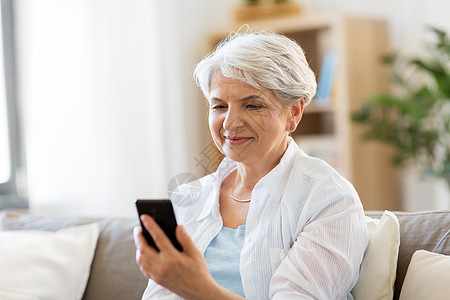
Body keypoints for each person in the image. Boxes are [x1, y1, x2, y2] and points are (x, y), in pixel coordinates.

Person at [134, 29, 368, 299]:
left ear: (294, 112)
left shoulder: (328, 198)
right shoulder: (189, 198)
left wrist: (197, 288)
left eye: (253, 106)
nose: (230, 123)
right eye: (219, 106)